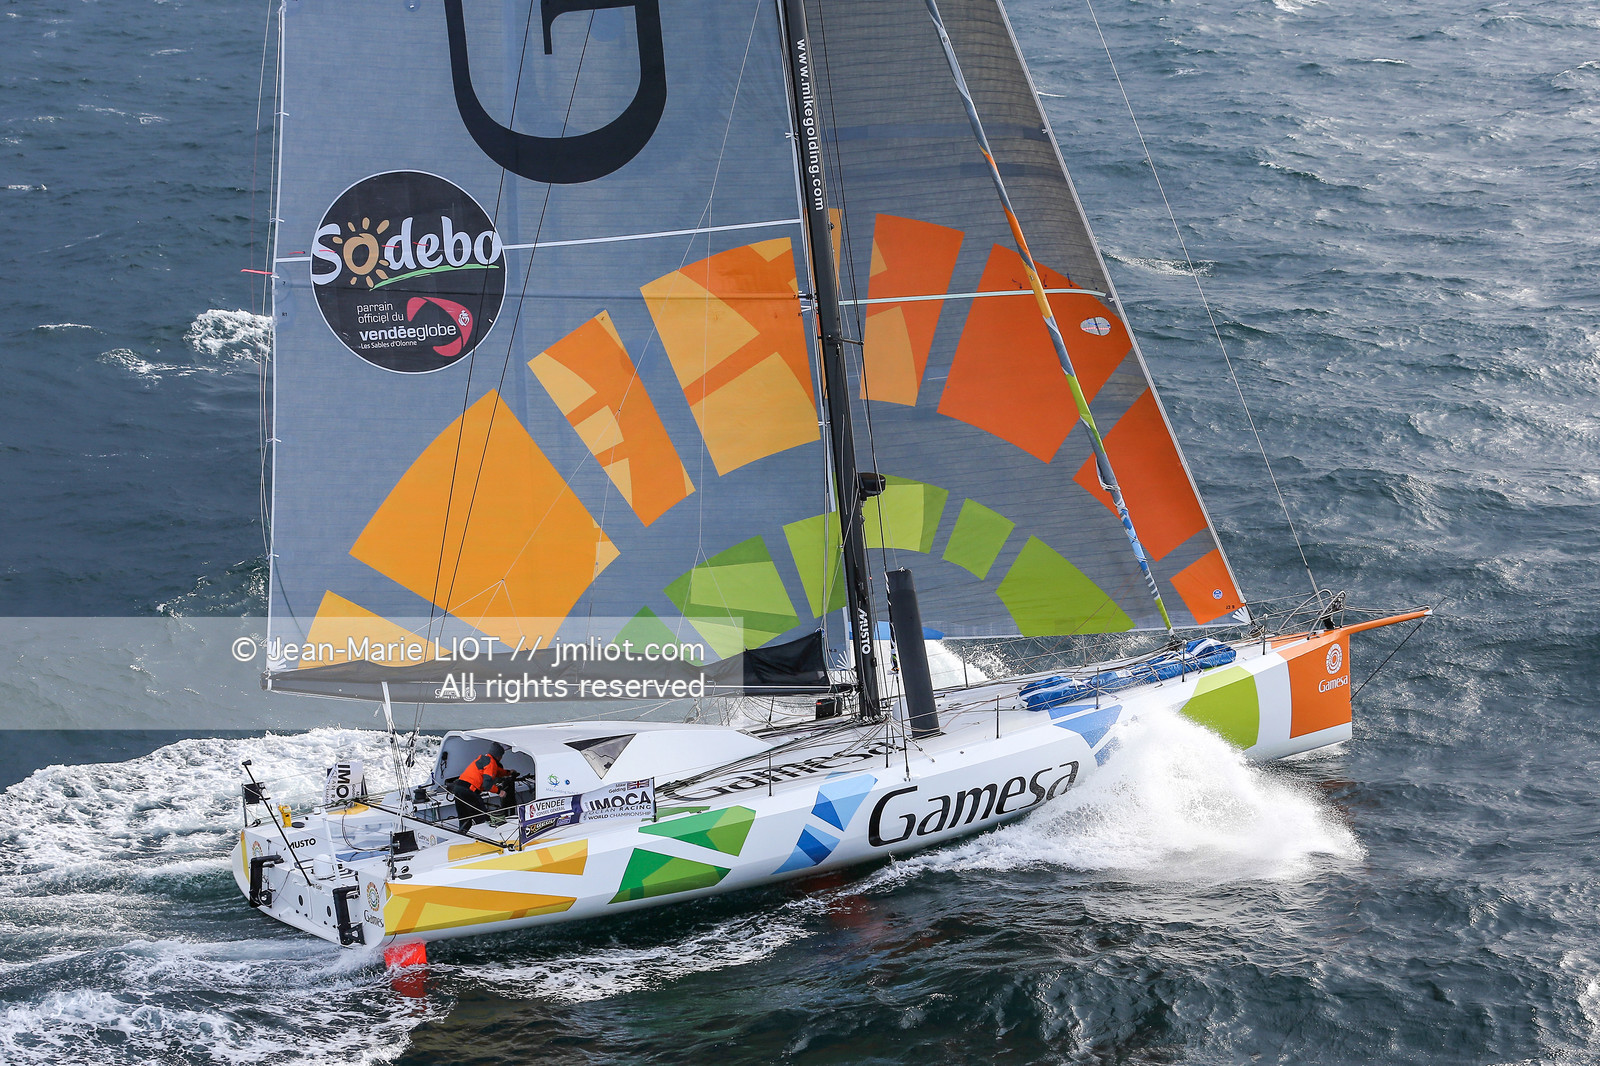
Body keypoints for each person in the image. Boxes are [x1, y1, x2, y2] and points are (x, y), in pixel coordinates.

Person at [450, 742, 513, 830]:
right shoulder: (491, 763)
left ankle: (464, 833)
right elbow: (487, 784)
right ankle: (486, 835)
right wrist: (499, 791)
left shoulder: (485, 759)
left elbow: (497, 772)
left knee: (464, 817)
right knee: (482, 816)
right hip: (469, 791)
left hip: (458, 788)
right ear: (499, 756)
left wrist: (508, 773)